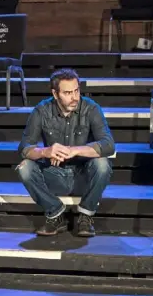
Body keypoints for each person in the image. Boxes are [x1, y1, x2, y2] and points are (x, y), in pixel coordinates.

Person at [16, 68, 115, 237]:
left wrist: (74, 150)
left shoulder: (91, 108)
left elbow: (108, 145)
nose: (74, 97)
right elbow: (24, 148)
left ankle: (86, 217)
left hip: (83, 175)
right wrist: (45, 151)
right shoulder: (41, 111)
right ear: (55, 94)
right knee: (24, 167)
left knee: (103, 164)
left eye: (76, 90)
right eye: (68, 93)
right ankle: (55, 214)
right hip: (55, 174)